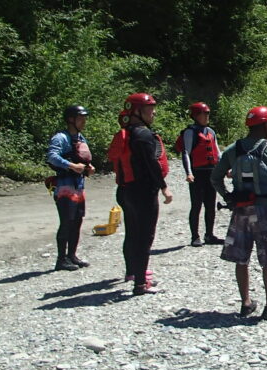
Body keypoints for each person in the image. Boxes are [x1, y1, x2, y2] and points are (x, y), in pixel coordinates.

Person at [211, 106, 267, 321]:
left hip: (240, 211)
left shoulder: (232, 149)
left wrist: (228, 197)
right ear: (266, 126)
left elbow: (215, 178)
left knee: (241, 258)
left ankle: (245, 303)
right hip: (265, 212)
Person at [107, 93, 173, 295]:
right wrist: (164, 187)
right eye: (149, 109)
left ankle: (133, 273)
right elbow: (151, 164)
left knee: (133, 233)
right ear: (137, 111)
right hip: (143, 192)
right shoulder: (143, 135)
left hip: (125, 189)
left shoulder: (127, 132)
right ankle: (140, 284)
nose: (153, 112)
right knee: (145, 237)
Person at [46, 104, 95, 271]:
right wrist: (72, 165)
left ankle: (72, 256)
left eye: (84, 118)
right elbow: (52, 156)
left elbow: (83, 158)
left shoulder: (81, 138)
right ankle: (61, 260)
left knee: (77, 221)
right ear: (70, 120)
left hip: (79, 186)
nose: (84, 121)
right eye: (80, 118)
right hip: (64, 186)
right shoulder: (60, 138)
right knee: (66, 222)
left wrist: (89, 168)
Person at [177, 102, 222, 247]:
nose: (207, 116)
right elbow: (186, 153)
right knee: (196, 205)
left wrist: (224, 168)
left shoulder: (211, 131)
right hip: (197, 174)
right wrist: (189, 173)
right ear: (196, 116)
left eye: (208, 113)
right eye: (204, 114)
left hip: (211, 172)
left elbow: (217, 152)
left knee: (210, 205)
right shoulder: (190, 132)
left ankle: (209, 235)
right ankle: (194, 237)